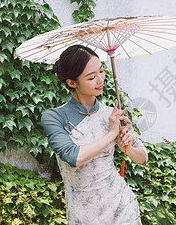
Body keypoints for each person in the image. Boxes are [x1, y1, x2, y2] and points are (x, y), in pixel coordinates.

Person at [41, 45, 147, 225]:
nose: (100, 80)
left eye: (101, 71)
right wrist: (111, 134)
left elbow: (143, 158)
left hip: (122, 207)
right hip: (84, 213)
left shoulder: (111, 114)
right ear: (72, 83)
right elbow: (73, 157)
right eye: (91, 77)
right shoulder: (54, 117)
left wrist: (126, 147)